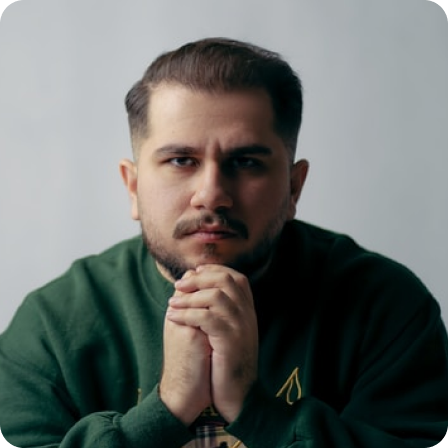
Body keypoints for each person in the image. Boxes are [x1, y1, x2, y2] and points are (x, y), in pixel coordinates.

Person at [0, 37, 447, 448]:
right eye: (181, 160)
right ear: (133, 186)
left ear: (294, 187)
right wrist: (165, 411)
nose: (212, 194)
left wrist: (257, 412)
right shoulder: (52, 327)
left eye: (246, 162)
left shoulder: (386, 307)